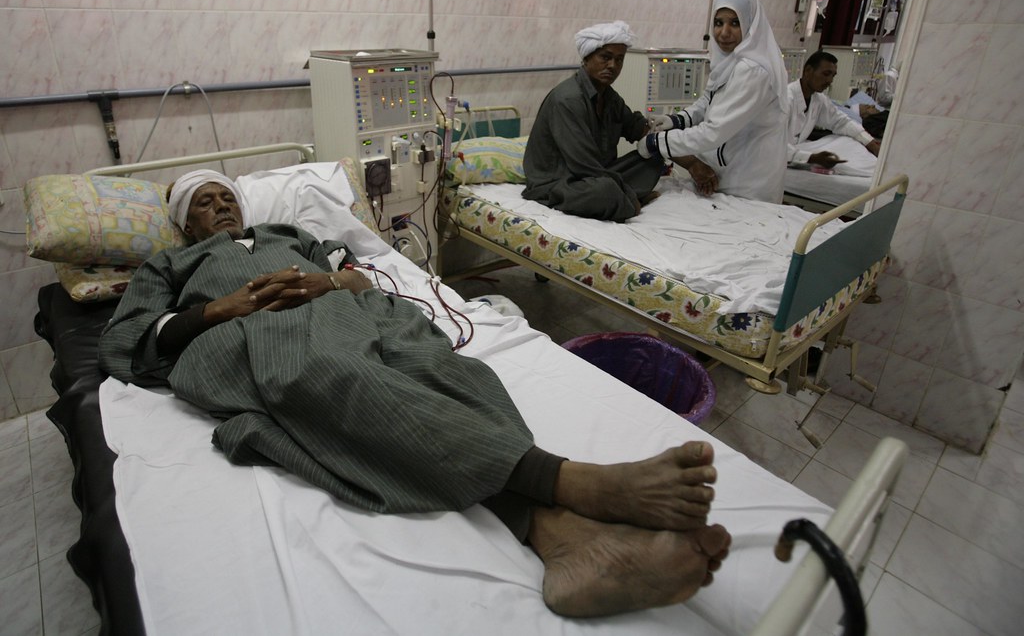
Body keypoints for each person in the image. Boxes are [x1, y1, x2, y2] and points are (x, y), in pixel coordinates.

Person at [98, 169, 732, 618]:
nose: (221, 208)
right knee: (330, 377)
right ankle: (574, 483)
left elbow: (355, 274)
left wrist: (329, 284)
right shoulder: (175, 266)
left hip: (343, 314)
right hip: (245, 338)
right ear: (185, 224)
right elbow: (128, 338)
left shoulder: (287, 237)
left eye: (225, 197)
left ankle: (559, 538)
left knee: (450, 372)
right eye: (204, 204)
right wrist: (218, 310)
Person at [636, 0, 790, 203]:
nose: (724, 33)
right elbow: (708, 100)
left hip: (746, 184)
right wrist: (676, 120)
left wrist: (656, 142)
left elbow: (713, 131)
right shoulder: (729, 62)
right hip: (720, 177)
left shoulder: (753, 71)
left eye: (734, 23)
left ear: (750, 24)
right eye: (719, 23)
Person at [522, 20, 666, 222]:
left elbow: (639, 129)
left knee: (653, 155)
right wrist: (626, 195)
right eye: (605, 57)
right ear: (587, 58)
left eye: (619, 60)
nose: (612, 66)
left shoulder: (609, 97)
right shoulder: (567, 100)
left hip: (596, 174)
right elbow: (584, 166)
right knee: (604, 190)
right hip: (561, 183)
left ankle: (622, 197)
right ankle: (626, 198)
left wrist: (691, 161)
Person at [786, 51, 881, 168]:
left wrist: (870, 142)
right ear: (808, 71)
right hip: (777, 157)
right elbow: (772, 143)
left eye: (833, 76)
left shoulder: (818, 99)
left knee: (848, 141)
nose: (830, 81)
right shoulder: (786, 99)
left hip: (798, 149)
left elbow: (841, 122)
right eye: (826, 74)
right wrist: (812, 158)